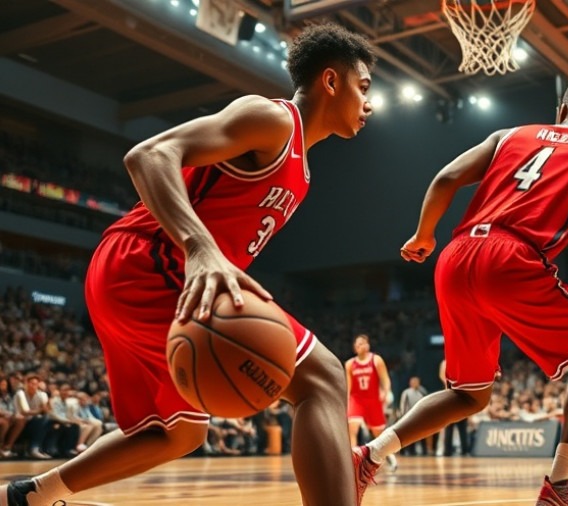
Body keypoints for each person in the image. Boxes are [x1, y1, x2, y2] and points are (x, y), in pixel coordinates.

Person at [2, 23, 376, 506]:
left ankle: (28, 496)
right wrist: (200, 248)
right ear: (331, 81)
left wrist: (207, 255)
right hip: (147, 261)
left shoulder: (301, 169)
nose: (369, 104)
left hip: (138, 272)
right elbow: (149, 154)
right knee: (324, 374)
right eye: (362, 88)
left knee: (178, 433)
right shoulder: (273, 119)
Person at [353, 79, 568, 505]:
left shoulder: (509, 134)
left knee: (469, 393)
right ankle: (560, 486)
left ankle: (369, 455)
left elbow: (447, 176)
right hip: (512, 258)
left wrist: (423, 234)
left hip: (454, 257)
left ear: (561, 111)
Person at [345, 334, 397, 471]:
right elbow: (348, 386)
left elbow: (385, 379)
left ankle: (391, 457)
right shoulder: (350, 364)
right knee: (352, 429)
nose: (359, 346)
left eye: (362, 343)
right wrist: (346, 402)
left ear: (367, 345)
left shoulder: (376, 360)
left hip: (373, 400)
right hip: (357, 400)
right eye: (357, 344)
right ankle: (354, 462)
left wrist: (385, 392)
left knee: (378, 433)